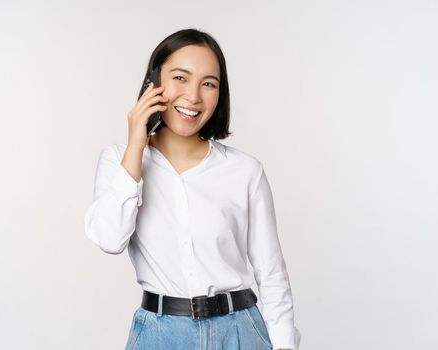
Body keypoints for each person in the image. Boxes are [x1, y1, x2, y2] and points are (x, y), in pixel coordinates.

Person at [84, 28, 301, 350]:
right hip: (159, 335)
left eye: (209, 83)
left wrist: (284, 345)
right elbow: (109, 239)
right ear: (153, 82)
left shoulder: (245, 171)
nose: (194, 96)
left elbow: (271, 272)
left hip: (241, 331)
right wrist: (136, 144)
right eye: (180, 78)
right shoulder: (119, 161)